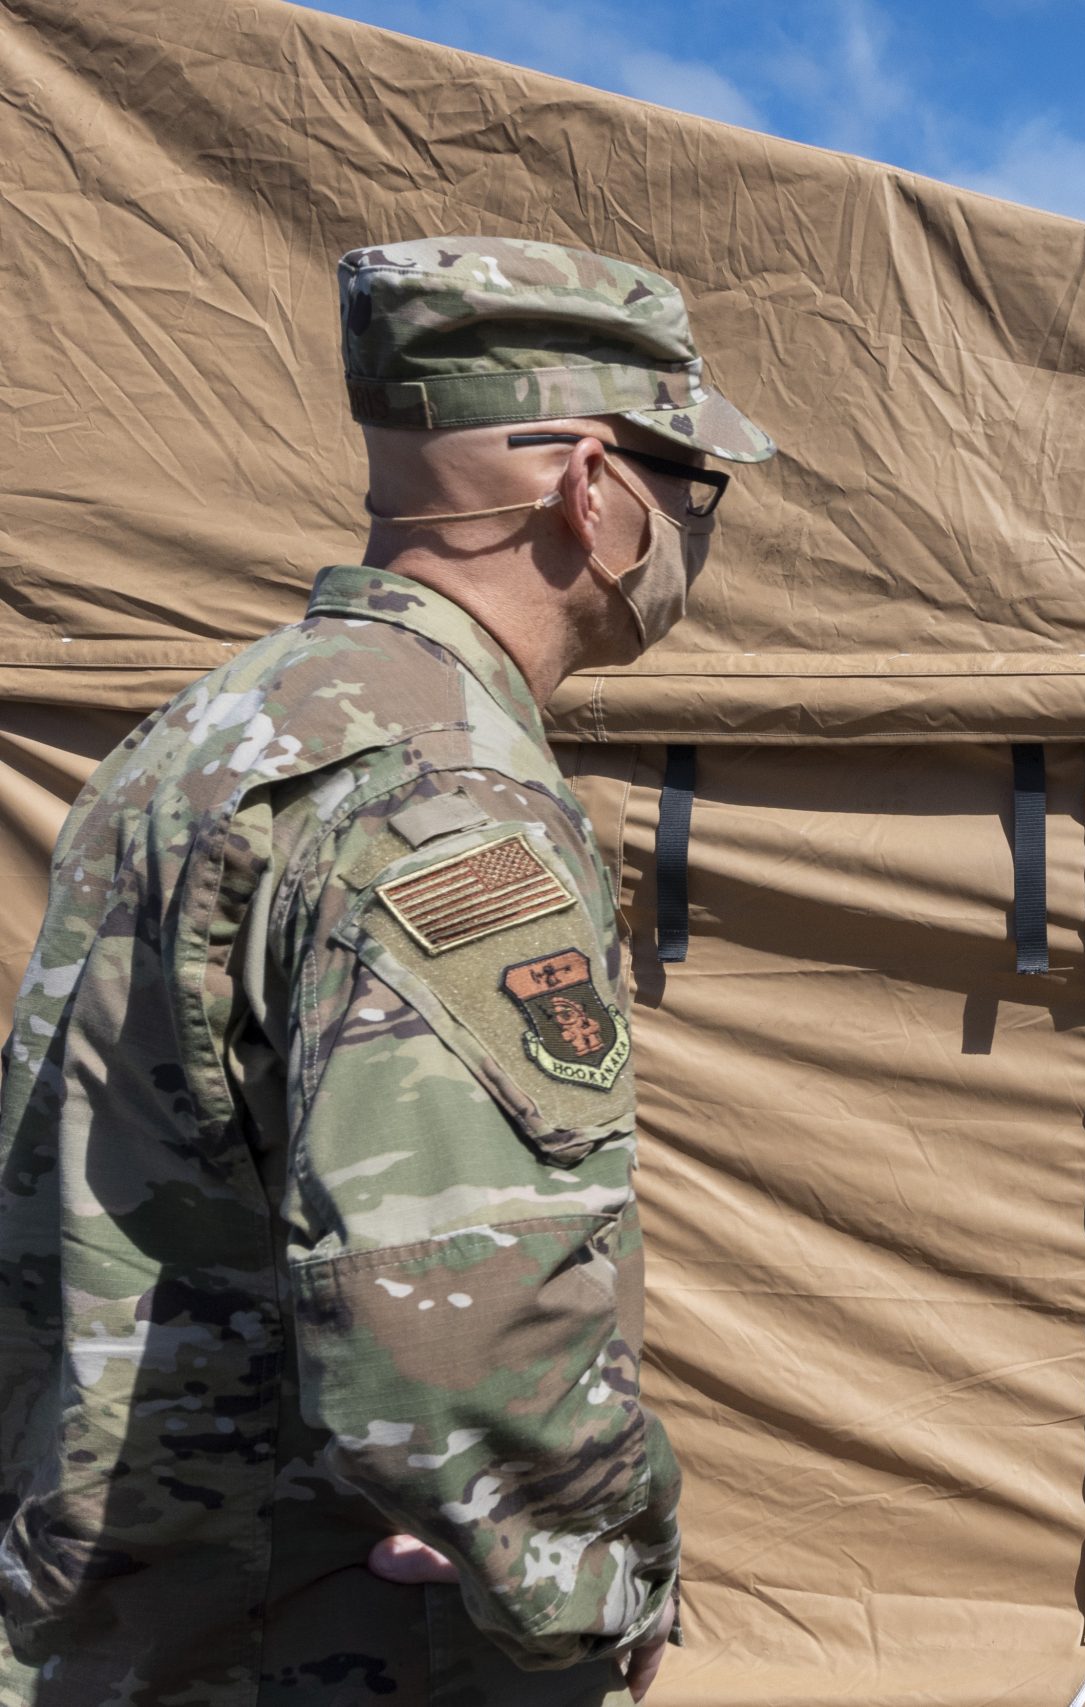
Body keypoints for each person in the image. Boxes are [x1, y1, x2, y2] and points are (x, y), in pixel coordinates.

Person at [0, 236, 775, 1702]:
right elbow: (461, 1325)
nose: (694, 527)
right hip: (310, 1632)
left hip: (122, 1602)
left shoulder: (207, 732)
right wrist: (595, 1578)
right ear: (588, 488)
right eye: (692, 486)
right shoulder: (443, 790)